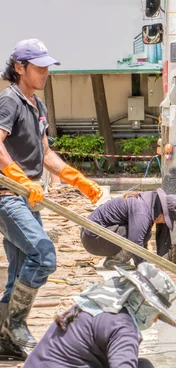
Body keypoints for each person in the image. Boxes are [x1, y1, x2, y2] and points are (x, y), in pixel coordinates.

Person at [0, 39, 103, 358]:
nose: (45, 72)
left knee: (19, 270)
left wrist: (78, 180)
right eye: (39, 66)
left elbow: (45, 153)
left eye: (47, 66)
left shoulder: (38, 106)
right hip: (8, 195)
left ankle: (4, 338)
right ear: (20, 68)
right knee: (43, 256)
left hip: (30, 196)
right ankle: (15, 325)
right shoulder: (10, 101)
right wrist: (17, 177)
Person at [24, 262, 176, 368]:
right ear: (142, 302)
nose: (156, 320)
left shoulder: (97, 305)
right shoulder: (123, 328)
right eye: (156, 313)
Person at [81, 188, 176, 268]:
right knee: (140, 234)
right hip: (93, 238)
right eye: (166, 220)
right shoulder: (142, 211)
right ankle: (116, 261)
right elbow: (135, 242)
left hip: (92, 235)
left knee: (141, 231)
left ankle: (115, 257)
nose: (163, 223)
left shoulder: (145, 202)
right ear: (162, 214)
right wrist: (142, 266)